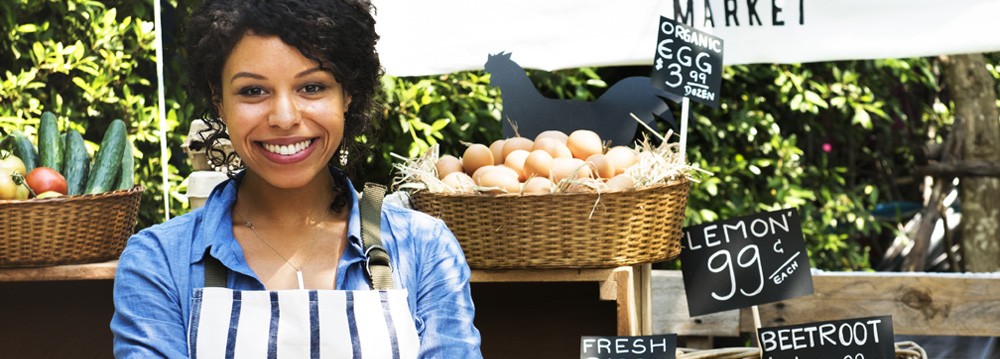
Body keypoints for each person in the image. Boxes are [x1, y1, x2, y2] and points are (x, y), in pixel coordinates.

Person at [110, 0, 482, 357]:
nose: (284, 117)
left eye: (312, 87)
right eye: (253, 91)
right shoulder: (159, 263)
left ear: (347, 93)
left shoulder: (423, 249)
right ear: (219, 100)